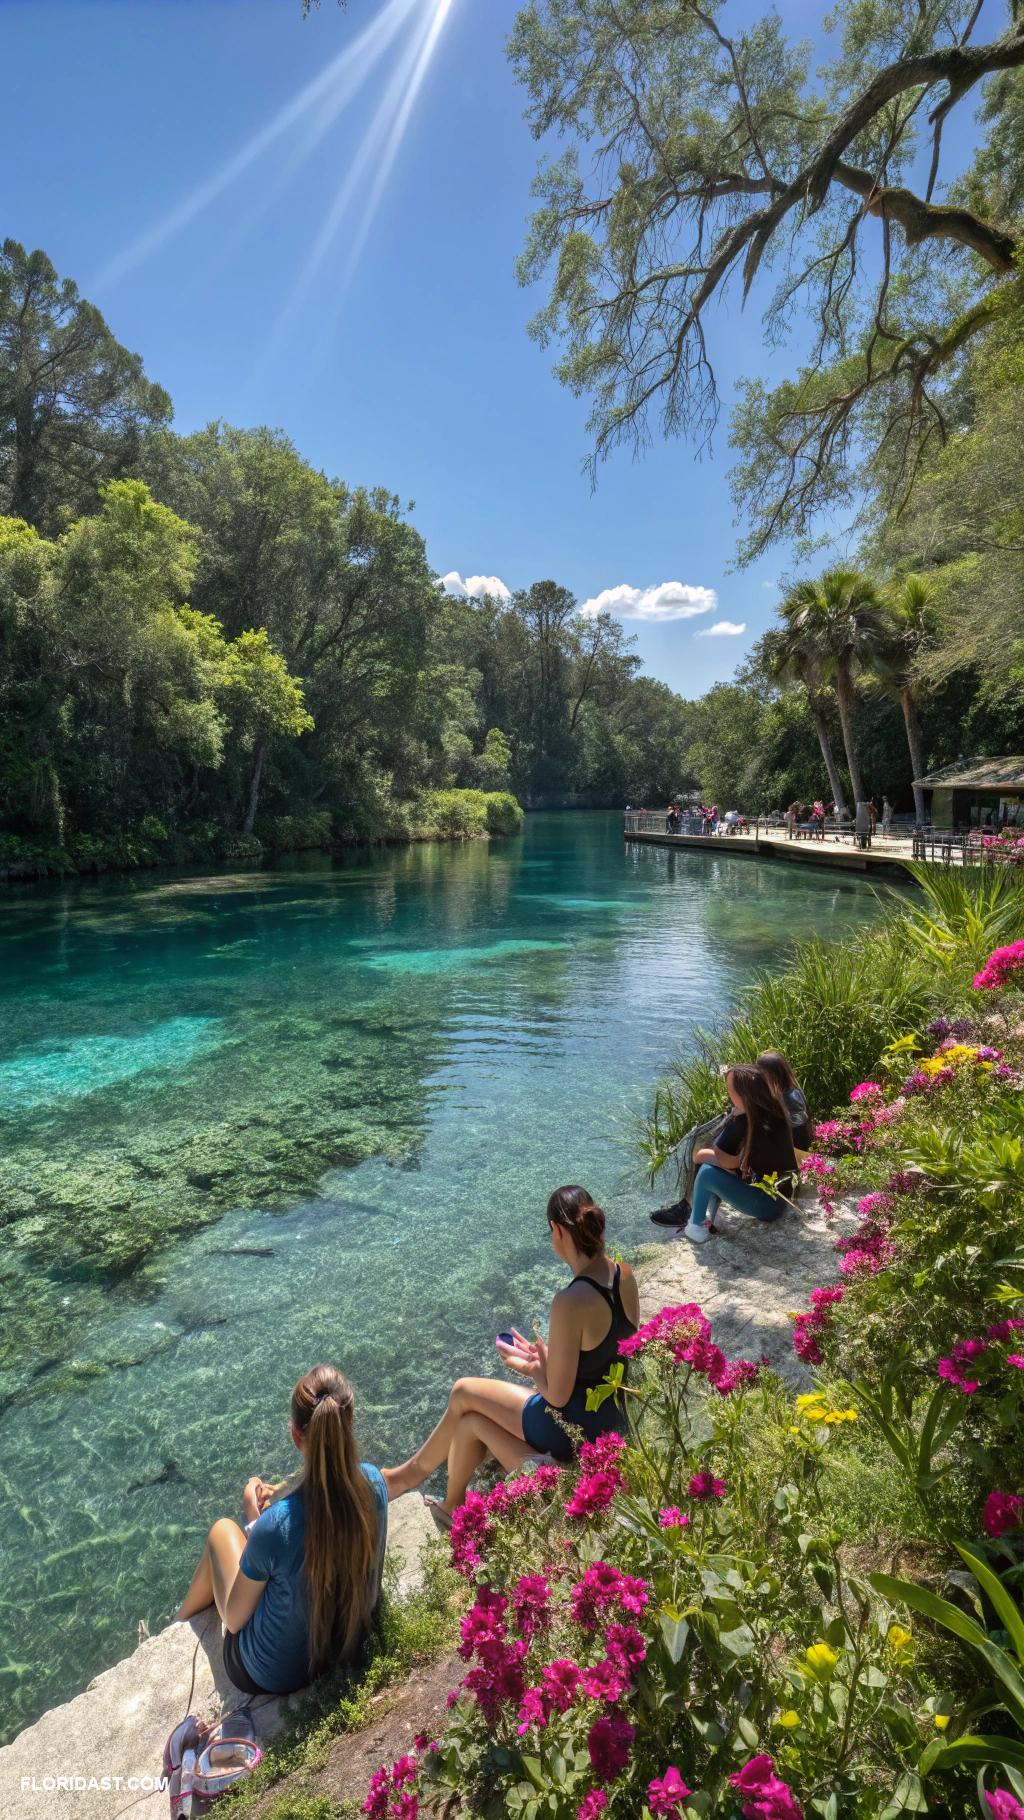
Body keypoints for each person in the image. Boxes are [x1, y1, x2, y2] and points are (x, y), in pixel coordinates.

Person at [386, 1187, 640, 1524]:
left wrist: (531, 1369)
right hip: (609, 1417)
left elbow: (558, 1396)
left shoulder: (570, 1300)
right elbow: (614, 1351)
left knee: (463, 1390)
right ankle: (450, 1505)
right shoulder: (624, 1274)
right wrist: (547, 1355)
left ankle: (407, 1476)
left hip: (571, 1426)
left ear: (558, 1231)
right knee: (470, 1423)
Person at [174, 1365, 390, 1697]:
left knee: (221, 1531)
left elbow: (233, 1621)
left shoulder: (276, 1525)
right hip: (347, 1642)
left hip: (273, 1673)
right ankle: (183, 1618)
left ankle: (182, 1621)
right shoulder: (374, 1482)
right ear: (350, 1424)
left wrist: (254, 1517)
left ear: (295, 1434)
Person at [681, 1065, 798, 1245]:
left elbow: (726, 1162)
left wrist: (734, 1120)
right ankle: (708, 1218)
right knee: (710, 1166)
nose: (728, 1094)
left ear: (744, 1095)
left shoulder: (745, 1123)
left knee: (706, 1173)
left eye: (730, 1090)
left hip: (767, 1205)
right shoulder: (773, 1113)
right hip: (780, 1196)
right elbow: (740, 1162)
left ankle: (696, 1227)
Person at [755, 1050, 812, 1149]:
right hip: (796, 1148)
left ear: (772, 1076)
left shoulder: (788, 1098)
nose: (756, 1076)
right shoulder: (791, 1091)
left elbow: (797, 1134)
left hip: (795, 1152)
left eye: (760, 1073)